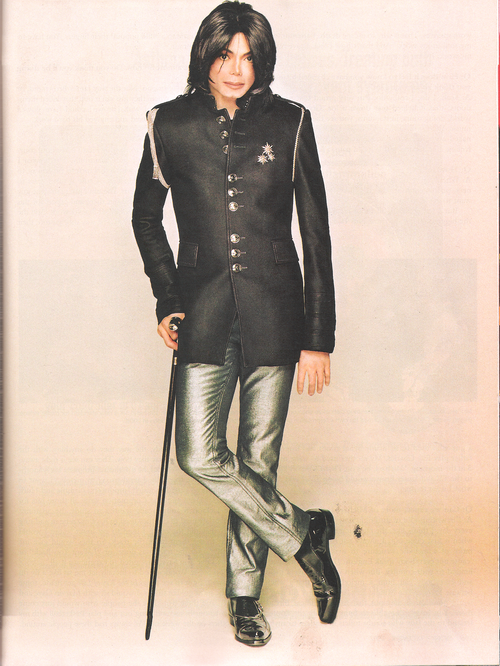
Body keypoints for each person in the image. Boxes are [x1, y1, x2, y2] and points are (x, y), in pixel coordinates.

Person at [132, 0, 340, 647]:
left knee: (258, 457)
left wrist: (318, 339)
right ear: (207, 55)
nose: (236, 68)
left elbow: (316, 235)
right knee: (199, 452)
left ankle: (244, 597)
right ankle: (304, 534)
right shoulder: (167, 123)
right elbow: (145, 218)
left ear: (261, 63)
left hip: (277, 312)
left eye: (249, 57)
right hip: (202, 312)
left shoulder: (292, 122)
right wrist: (167, 297)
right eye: (226, 54)